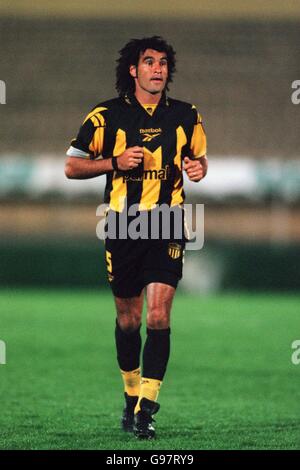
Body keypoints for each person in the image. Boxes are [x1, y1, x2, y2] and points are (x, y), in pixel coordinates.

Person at [65, 36, 207, 439]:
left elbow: (198, 160)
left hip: (167, 223)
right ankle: (130, 398)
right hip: (122, 226)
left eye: (163, 63)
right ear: (134, 70)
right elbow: (71, 167)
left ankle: (147, 409)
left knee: (158, 315)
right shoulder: (104, 117)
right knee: (129, 322)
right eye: (149, 62)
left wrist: (199, 169)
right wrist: (114, 163)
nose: (158, 69)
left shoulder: (186, 115)